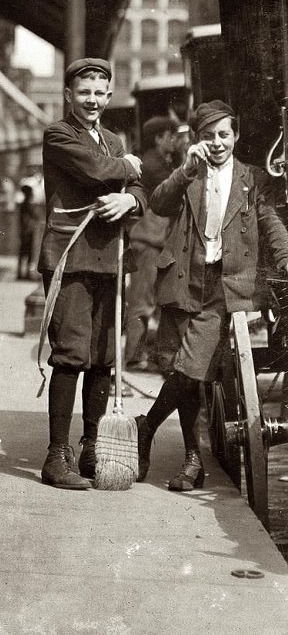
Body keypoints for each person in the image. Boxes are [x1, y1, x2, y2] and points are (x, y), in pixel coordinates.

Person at [137, 100, 288, 491]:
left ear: (235, 135)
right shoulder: (190, 172)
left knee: (191, 365)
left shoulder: (252, 179)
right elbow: (158, 203)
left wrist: (287, 261)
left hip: (226, 284)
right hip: (185, 277)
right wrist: (186, 169)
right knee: (180, 371)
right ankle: (192, 460)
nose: (217, 143)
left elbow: (271, 225)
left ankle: (147, 425)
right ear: (198, 140)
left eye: (224, 134)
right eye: (208, 136)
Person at [38, 58, 147, 489]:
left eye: (101, 92)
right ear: (69, 96)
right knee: (71, 352)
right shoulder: (59, 135)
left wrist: (131, 203)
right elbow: (98, 171)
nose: (93, 100)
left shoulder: (115, 139)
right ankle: (55, 456)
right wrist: (131, 168)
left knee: (103, 357)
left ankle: (90, 449)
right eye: (85, 92)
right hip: (70, 256)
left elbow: (135, 189)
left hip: (110, 257)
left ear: (109, 96)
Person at [123, 115, 178, 370]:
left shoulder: (156, 162)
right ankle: (134, 356)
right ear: (158, 139)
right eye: (171, 136)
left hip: (152, 241)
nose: (175, 141)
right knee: (141, 301)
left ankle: (139, 352)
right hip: (148, 240)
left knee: (146, 300)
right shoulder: (154, 165)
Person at [17, 182, 41, 280]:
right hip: (28, 231)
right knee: (27, 253)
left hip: (25, 230)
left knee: (24, 253)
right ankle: (25, 273)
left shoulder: (24, 204)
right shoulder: (28, 204)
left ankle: (22, 272)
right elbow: (36, 216)